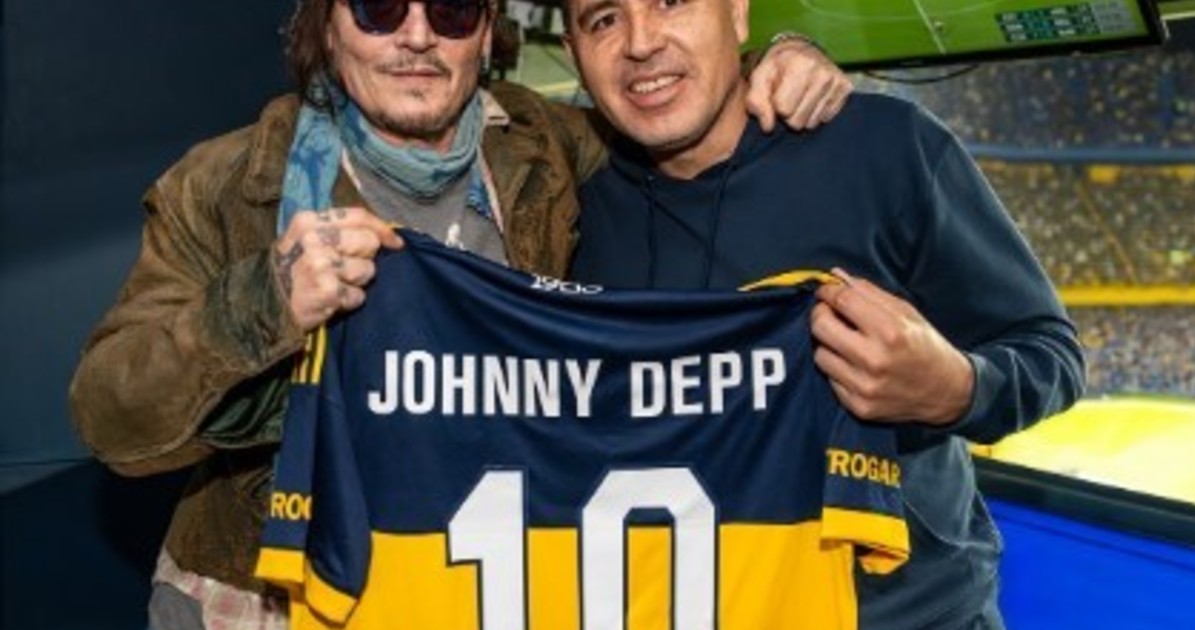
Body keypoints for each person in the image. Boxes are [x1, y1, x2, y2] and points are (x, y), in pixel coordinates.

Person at [67, 0, 851, 627]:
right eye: (379, 9)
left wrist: (778, 63)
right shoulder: (225, 184)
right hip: (265, 589)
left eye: (451, 11)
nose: (417, 36)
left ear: (485, 35)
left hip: (486, 579)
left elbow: (676, 109)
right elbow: (112, 422)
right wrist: (263, 302)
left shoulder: (549, 145)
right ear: (327, 29)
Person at [560, 0, 1086, 628]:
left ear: (737, 13)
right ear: (573, 55)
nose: (641, 41)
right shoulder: (568, 202)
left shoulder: (884, 147)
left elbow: (1050, 352)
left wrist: (955, 389)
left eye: (670, 2)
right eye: (603, 19)